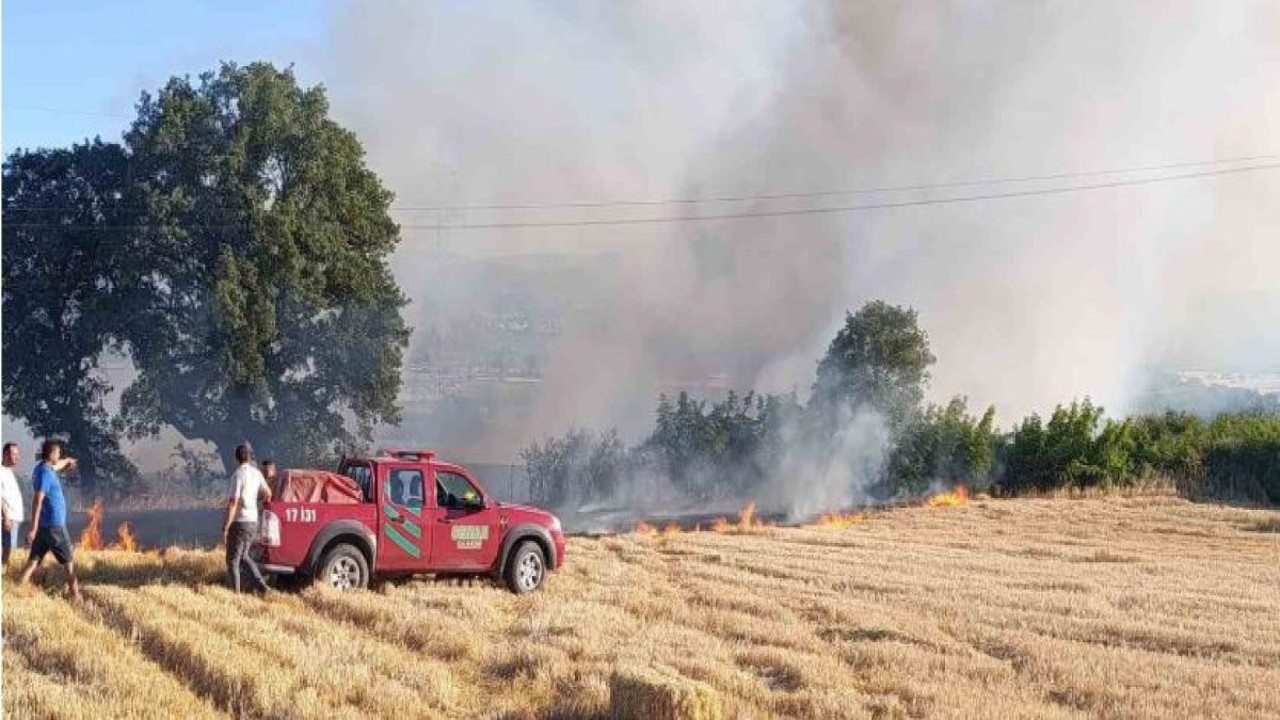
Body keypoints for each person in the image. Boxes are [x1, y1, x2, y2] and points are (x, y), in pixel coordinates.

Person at [18, 440, 81, 599]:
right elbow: (38, 499)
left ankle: (16, 591)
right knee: (69, 563)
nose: (59, 455)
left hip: (44, 527)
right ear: (51, 454)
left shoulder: (41, 468)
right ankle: (76, 597)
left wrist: (66, 461)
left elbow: (55, 466)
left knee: (33, 562)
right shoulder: (46, 473)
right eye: (58, 453)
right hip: (55, 526)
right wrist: (32, 528)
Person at [223, 443, 271, 593]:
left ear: (236, 459)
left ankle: (236, 594)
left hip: (240, 521)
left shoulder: (237, 475)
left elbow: (233, 503)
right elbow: (268, 493)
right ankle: (262, 586)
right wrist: (257, 502)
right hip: (253, 520)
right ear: (250, 457)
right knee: (243, 556)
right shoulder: (256, 473)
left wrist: (225, 527)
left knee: (232, 560)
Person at [1, 442, 25, 566]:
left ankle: (4, 574)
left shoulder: (9, 471)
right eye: (14, 454)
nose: (17, 457)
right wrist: (6, 517)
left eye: (17, 454)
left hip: (14, 519)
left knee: (10, 549)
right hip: (8, 519)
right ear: (5, 454)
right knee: (6, 549)